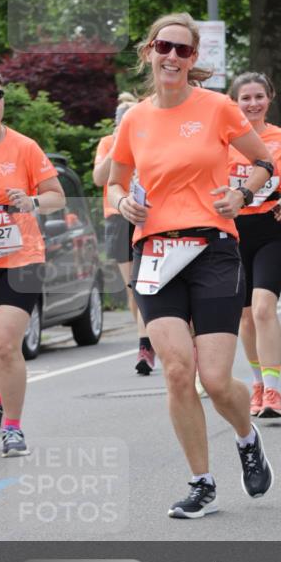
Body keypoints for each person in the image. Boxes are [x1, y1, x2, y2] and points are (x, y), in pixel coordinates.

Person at [107, 13, 276, 519]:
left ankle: (246, 436)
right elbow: (114, 182)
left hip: (212, 248)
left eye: (183, 50)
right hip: (155, 252)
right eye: (164, 47)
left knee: (216, 380)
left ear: (193, 58)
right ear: (149, 51)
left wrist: (242, 194)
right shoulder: (135, 119)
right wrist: (122, 204)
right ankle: (202, 482)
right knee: (178, 372)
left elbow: (265, 162)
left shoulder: (217, 107)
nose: (172, 57)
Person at [0, 65, 65, 456]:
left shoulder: (24, 147)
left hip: (22, 258)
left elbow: (56, 196)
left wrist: (31, 202)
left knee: (4, 343)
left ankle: (13, 428)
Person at [227, 72, 281, 418]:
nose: (253, 103)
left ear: (270, 98)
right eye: (245, 98)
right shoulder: (223, 141)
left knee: (262, 308)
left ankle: (273, 390)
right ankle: (257, 383)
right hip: (234, 234)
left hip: (274, 230)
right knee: (245, 316)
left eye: (259, 96)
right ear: (234, 103)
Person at [93, 92, 156, 375]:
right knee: (133, 288)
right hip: (118, 217)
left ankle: (148, 344)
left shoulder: (148, 138)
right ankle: (145, 340)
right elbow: (99, 178)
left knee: (145, 284)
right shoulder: (108, 143)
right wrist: (118, 143)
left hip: (145, 216)